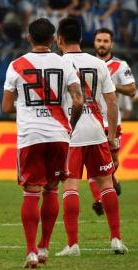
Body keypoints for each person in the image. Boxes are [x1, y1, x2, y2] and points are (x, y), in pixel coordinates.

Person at [2, 18, 84, 268]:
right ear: (53, 39)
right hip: (59, 135)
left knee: (31, 192)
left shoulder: (16, 65)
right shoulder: (65, 63)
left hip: (31, 136)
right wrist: (70, 124)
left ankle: (30, 252)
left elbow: (6, 106)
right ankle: (45, 246)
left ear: (29, 37)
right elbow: (78, 100)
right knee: (51, 190)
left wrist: (27, 111)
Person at [55, 17, 128, 257]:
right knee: (107, 184)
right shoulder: (99, 63)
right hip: (97, 130)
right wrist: (113, 136)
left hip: (71, 133)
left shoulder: (57, 64)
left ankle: (73, 244)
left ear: (60, 40)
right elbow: (111, 103)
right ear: (82, 38)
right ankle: (116, 239)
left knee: (70, 187)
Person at [89, 27, 136, 215]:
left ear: (111, 44)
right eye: (99, 40)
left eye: (105, 41)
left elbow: (132, 89)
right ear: (94, 43)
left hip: (112, 122)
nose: (102, 44)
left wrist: (110, 84)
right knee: (93, 164)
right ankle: (100, 200)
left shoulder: (120, 65)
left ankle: (112, 181)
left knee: (111, 161)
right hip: (91, 121)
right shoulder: (87, 63)